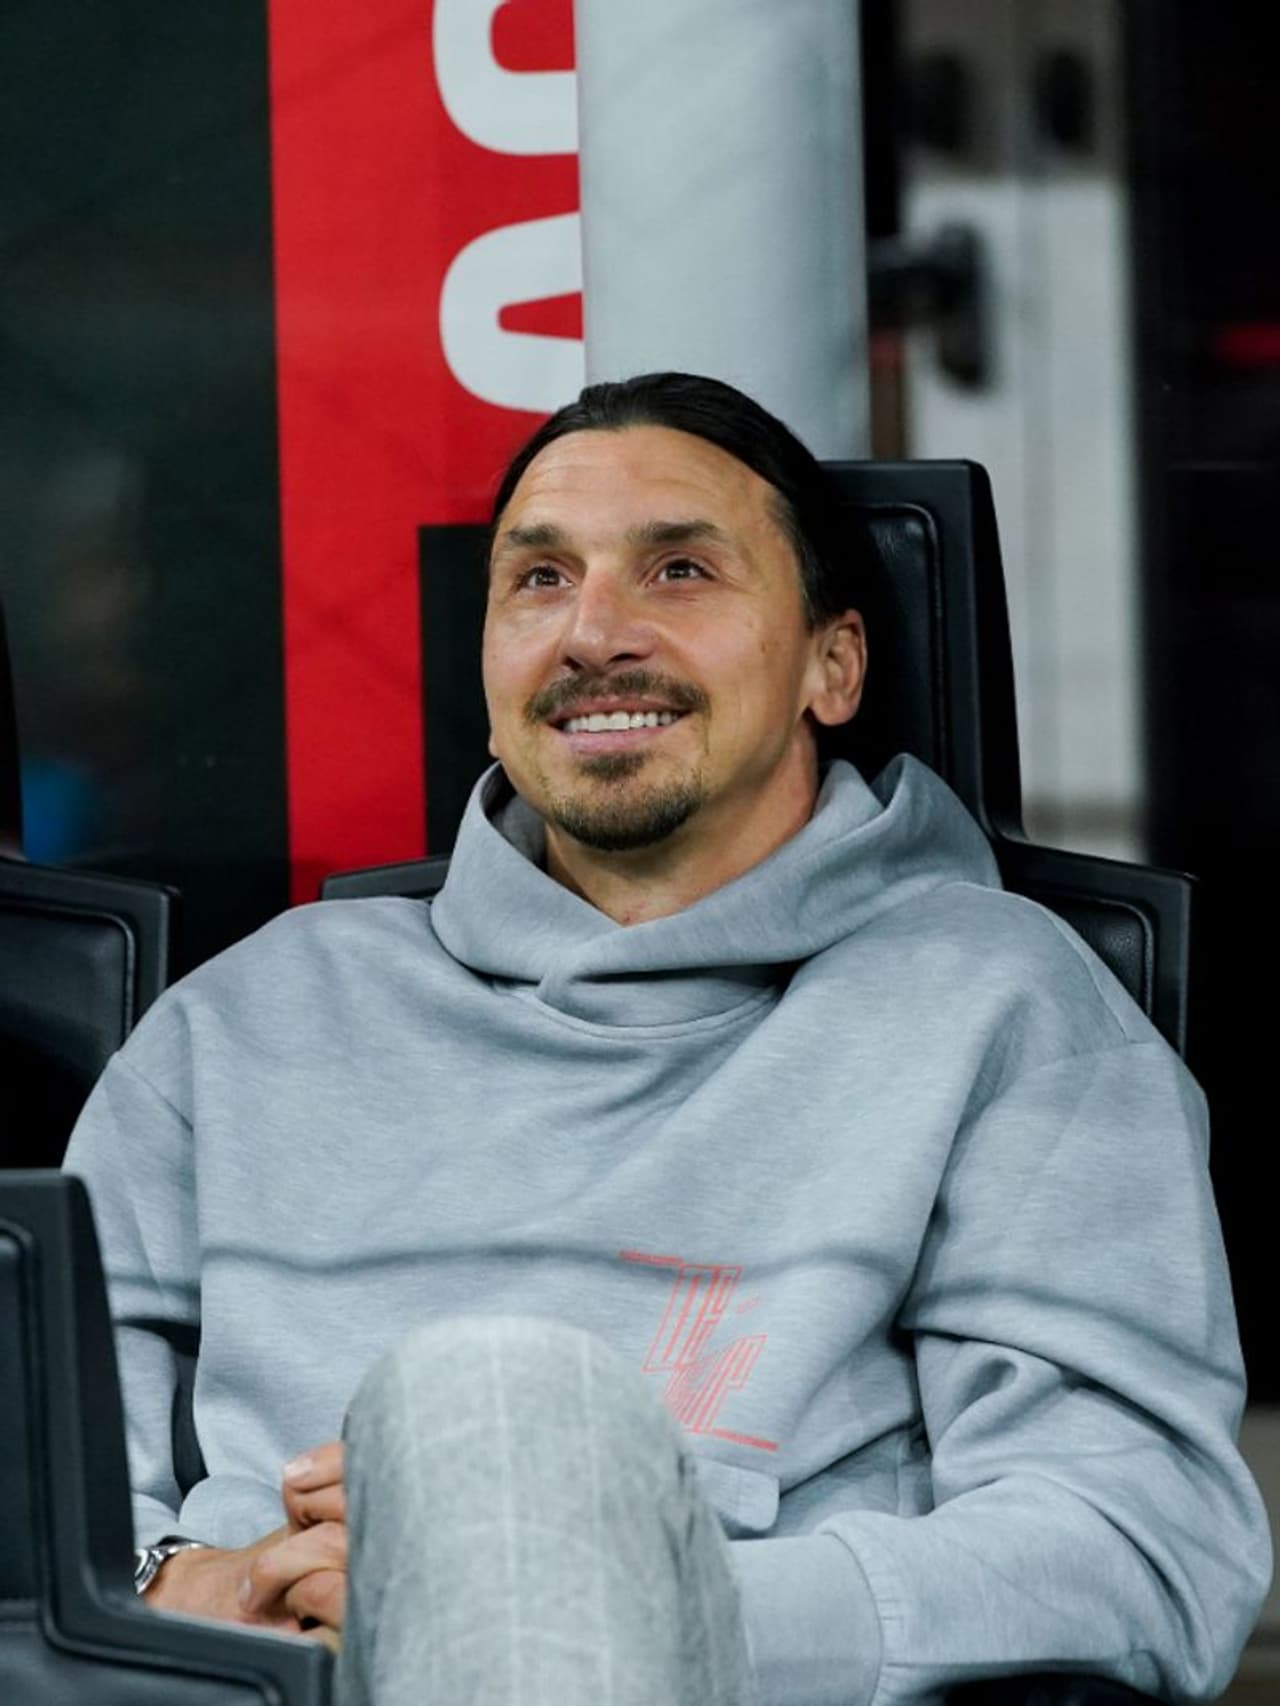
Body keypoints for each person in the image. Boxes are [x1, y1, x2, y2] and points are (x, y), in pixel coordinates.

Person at [64, 372, 1270, 1706]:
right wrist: (189, 1588)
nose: (593, 633)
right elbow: (42, 1491)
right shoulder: (244, 1024)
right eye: (539, 580)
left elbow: (1141, 1545)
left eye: (680, 570)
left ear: (832, 665)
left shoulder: (1006, 1010)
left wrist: (625, 1594)